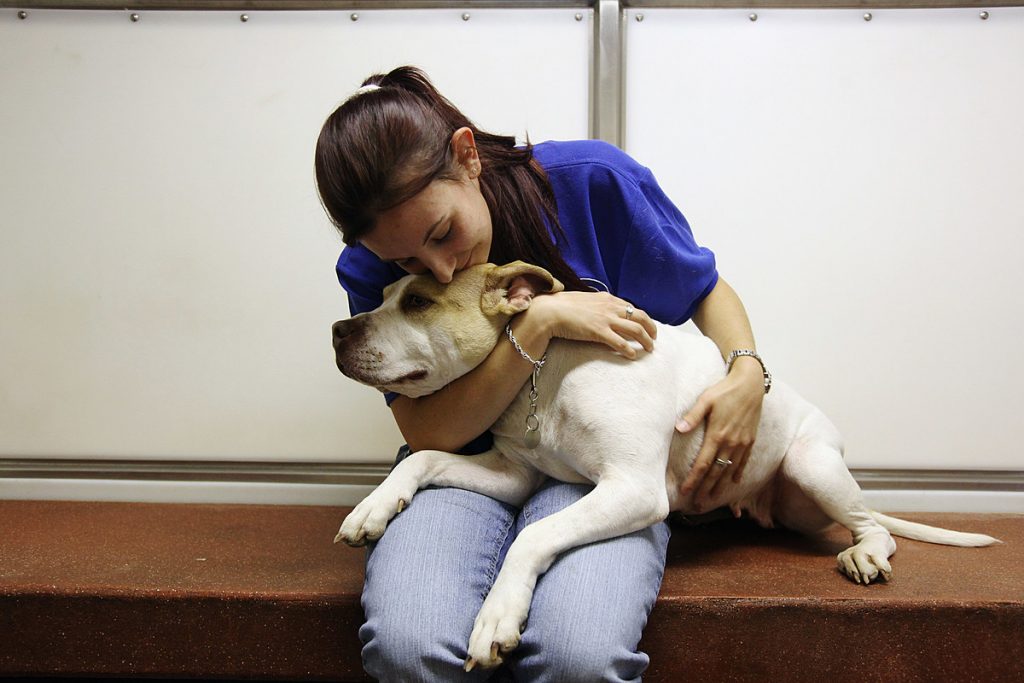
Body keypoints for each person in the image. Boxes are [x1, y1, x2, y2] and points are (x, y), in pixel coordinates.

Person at [315, 66, 768, 682]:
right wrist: (540, 323)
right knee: (405, 645)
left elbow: (705, 290)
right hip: (473, 460)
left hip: (594, 471)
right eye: (403, 262)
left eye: (443, 233)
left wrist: (745, 372)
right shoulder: (369, 261)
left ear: (467, 156)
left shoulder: (590, 184)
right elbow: (429, 432)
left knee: (577, 657)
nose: (441, 271)